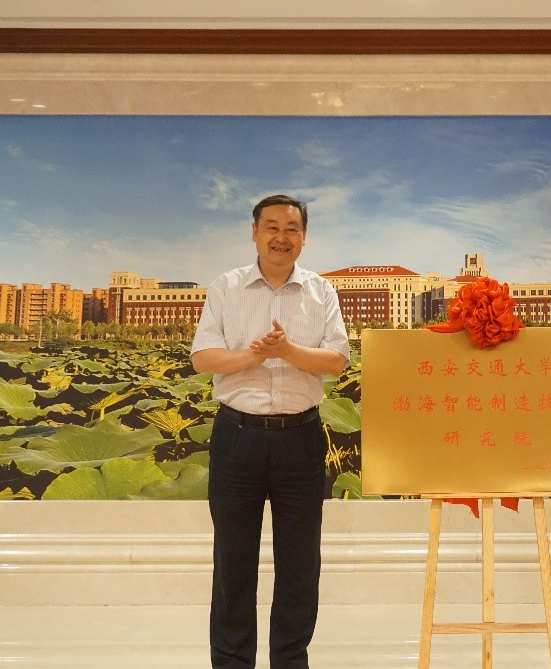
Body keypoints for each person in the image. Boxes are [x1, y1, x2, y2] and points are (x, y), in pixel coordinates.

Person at [191, 194, 349, 669]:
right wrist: (254, 355)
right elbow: (202, 357)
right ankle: (231, 662)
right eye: (272, 227)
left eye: (292, 228)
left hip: (301, 438)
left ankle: (290, 660)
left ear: (304, 236)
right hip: (237, 437)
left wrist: (287, 350)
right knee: (233, 561)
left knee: (300, 562)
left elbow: (337, 360)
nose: (282, 237)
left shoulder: (321, 291)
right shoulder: (227, 287)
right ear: (255, 233)